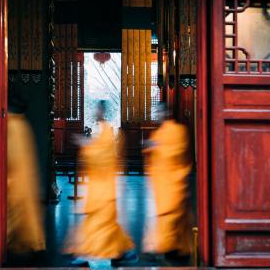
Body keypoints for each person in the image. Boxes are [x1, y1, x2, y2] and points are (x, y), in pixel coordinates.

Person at [65, 100, 136, 266]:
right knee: (98, 221)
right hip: (98, 184)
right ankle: (118, 250)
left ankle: (108, 250)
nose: (95, 111)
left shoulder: (107, 132)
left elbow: (102, 155)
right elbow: (97, 149)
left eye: (97, 109)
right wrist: (88, 145)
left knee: (102, 221)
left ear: (102, 111)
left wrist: (85, 145)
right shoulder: (101, 131)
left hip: (104, 185)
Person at [143, 103, 193, 265]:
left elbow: (177, 152)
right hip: (160, 182)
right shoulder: (157, 134)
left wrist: (157, 148)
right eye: (156, 112)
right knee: (163, 215)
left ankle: (167, 246)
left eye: (160, 111)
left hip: (173, 180)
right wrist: (150, 147)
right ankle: (166, 246)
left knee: (171, 213)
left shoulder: (178, 131)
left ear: (168, 112)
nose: (157, 114)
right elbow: (151, 157)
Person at [6, 76, 46, 254]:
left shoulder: (11, 124)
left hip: (15, 178)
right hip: (25, 178)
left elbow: (11, 159)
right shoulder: (20, 122)